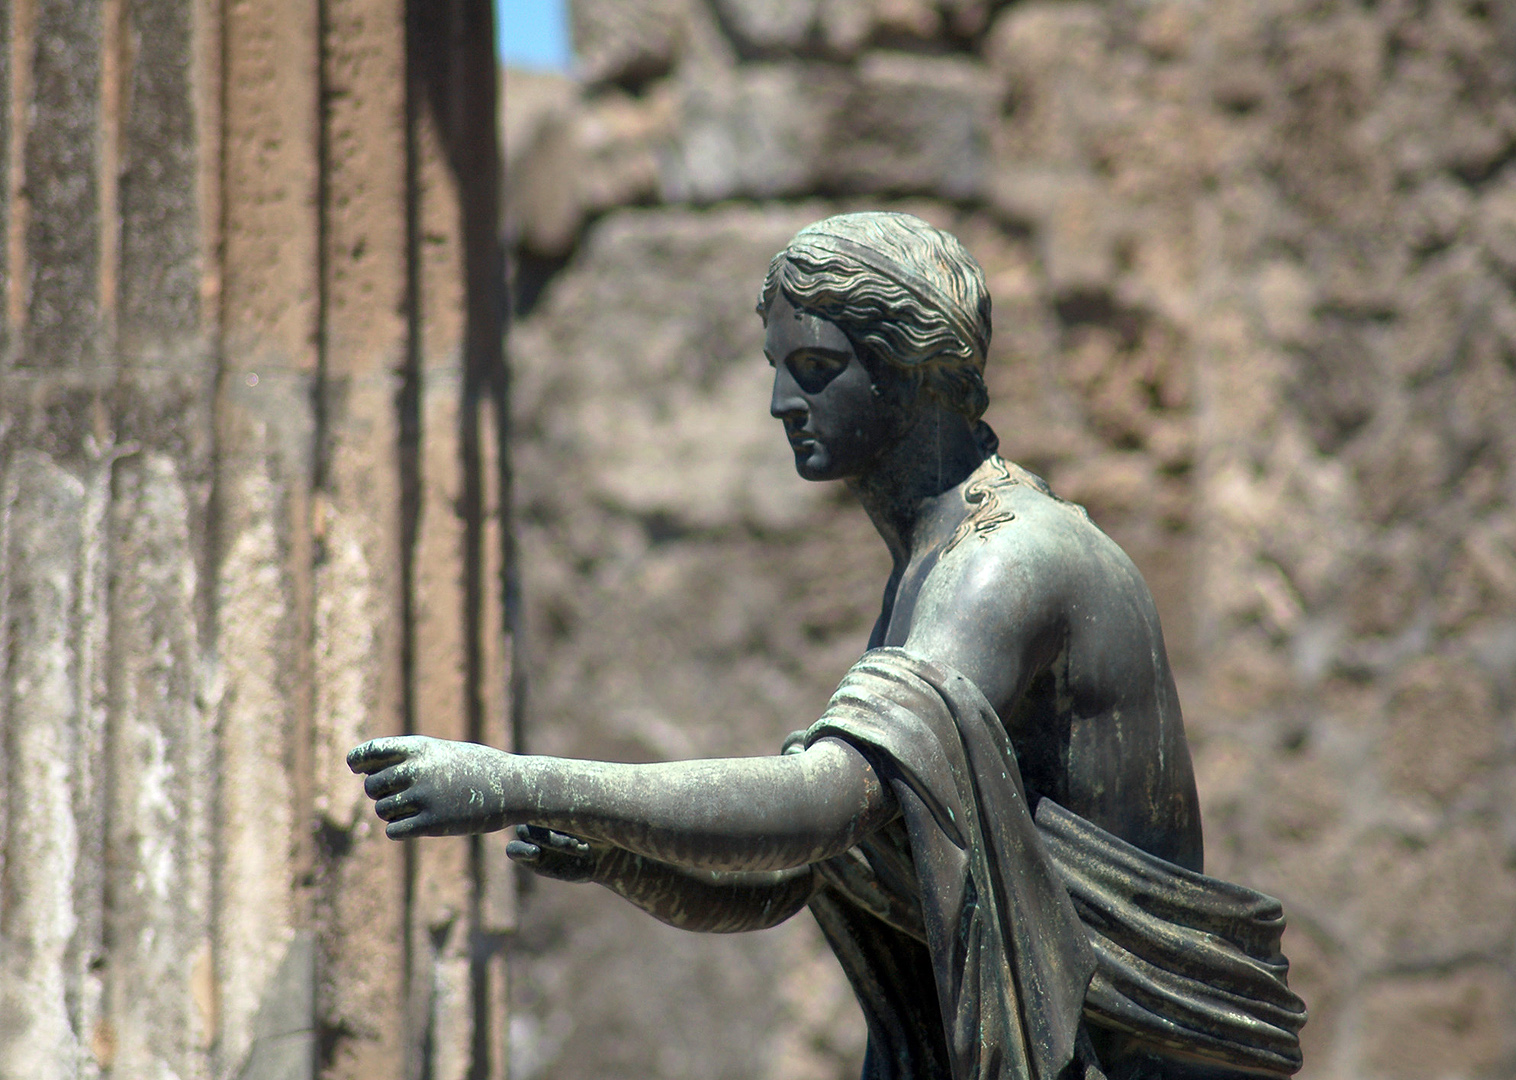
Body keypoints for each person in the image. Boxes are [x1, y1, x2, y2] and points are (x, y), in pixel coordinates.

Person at [349, 213, 1305, 1080]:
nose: (778, 403)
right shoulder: (932, 566)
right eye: (779, 367)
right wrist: (623, 855)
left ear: (915, 368)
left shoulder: (1001, 564)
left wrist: (513, 780)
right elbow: (810, 874)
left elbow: (818, 810)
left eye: (813, 369)